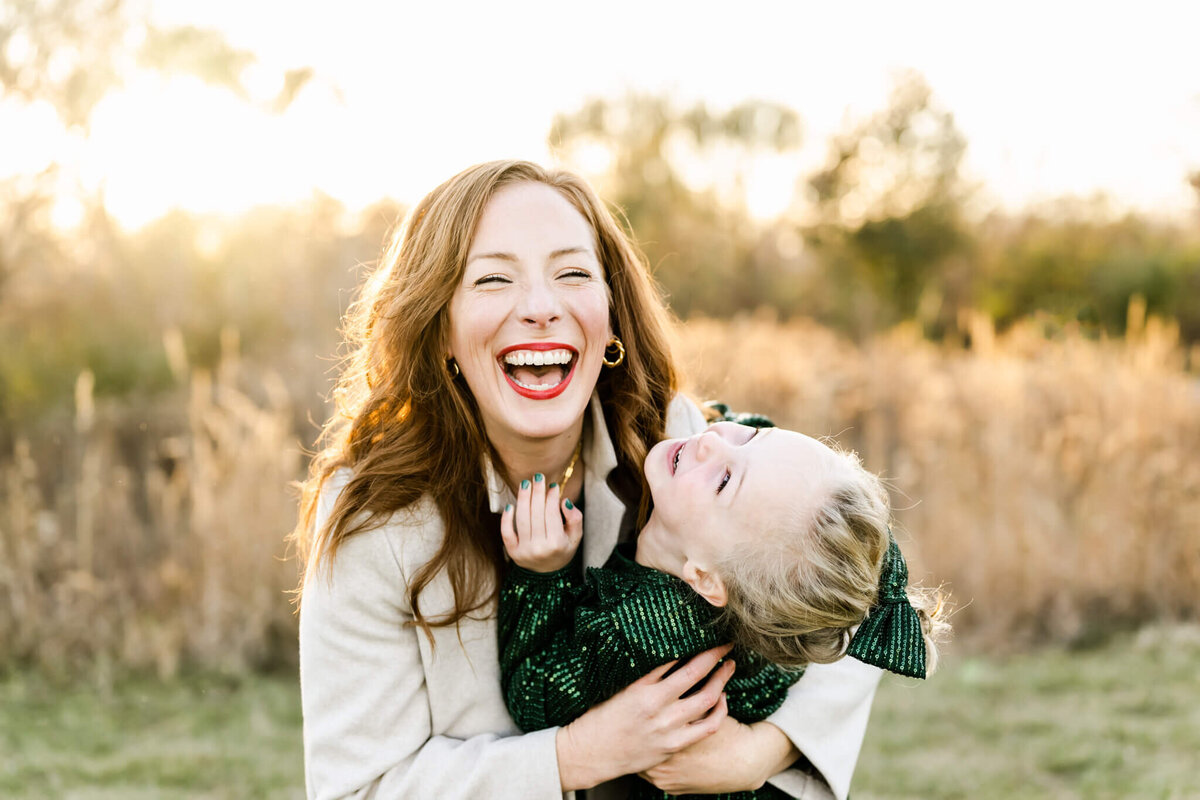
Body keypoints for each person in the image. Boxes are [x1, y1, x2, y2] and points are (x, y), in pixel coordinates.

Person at [293, 160, 884, 800]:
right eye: (492, 279)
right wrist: (579, 754)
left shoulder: (674, 440)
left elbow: (857, 583)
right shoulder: (376, 519)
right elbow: (361, 788)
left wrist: (760, 749)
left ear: (609, 316)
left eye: (572, 273)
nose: (541, 309)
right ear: (441, 333)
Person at [498, 421, 948, 799]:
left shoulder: (637, 630)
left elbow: (533, 696)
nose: (713, 438)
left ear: (706, 580)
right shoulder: (773, 598)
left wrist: (543, 575)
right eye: (751, 436)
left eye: (724, 480)